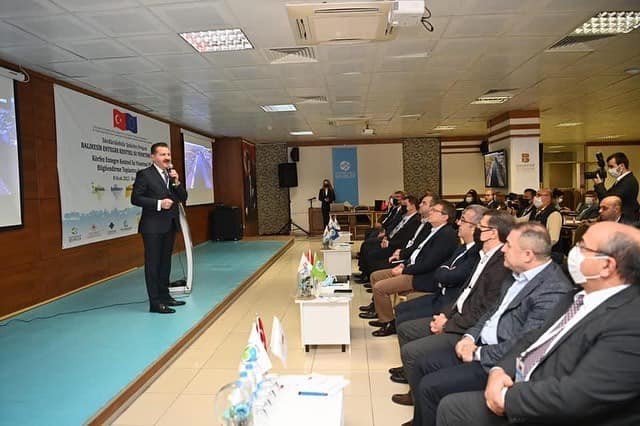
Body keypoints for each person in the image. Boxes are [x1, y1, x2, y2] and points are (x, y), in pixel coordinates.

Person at [437, 222, 640, 426]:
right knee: (449, 402)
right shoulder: (577, 296)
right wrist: (501, 370)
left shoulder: (630, 322)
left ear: (606, 266)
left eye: (582, 246)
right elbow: (534, 337)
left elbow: (581, 395)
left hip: (549, 407)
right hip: (522, 379)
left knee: (451, 407)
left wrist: (507, 397)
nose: (573, 252)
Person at [408, 223, 571, 426]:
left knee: (431, 386)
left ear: (528, 255)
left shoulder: (553, 291)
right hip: (478, 344)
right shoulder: (516, 274)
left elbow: (525, 344)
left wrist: (478, 353)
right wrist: (469, 337)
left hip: (500, 360)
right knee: (422, 364)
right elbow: (490, 313)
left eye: (508, 245)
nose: (502, 249)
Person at [389, 210, 514, 403]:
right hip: (454, 313)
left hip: (467, 329)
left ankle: (417, 395)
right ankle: (413, 383)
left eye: (481, 226)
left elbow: (483, 310)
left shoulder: (500, 265)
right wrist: (445, 315)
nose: (476, 229)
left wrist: (447, 324)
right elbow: (463, 293)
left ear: (492, 233)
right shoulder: (483, 255)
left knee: (411, 351)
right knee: (406, 328)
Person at [361, 201, 459, 336]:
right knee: (375, 276)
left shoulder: (446, 235)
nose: (430, 212)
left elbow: (429, 263)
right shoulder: (432, 230)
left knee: (379, 288)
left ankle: (388, 322)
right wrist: (404, 264)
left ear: (445, 217)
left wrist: (404, 270)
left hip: (422, 276)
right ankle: (381, 314)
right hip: (411, 268)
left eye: (435, 211)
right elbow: (416, 251)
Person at [131, 142, 188, 314]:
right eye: (163, 154)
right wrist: (158, 203)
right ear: (153, 157)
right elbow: (135, 198)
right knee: (153, 264)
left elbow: (183, 197)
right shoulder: (145, 174)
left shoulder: (170, 175)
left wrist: (176, 182)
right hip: (152, 227)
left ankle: (165, 296)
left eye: (168, 154)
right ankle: (155, 303)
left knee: (165, 263)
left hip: (169, 225)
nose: (167, 157)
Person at [593, 152, 640, 221]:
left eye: (611, 167)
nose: (609, 170)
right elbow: (608, 195)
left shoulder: (628, 181)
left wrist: (599, 185)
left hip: (626, 221)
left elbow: (608, 202)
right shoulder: (622, 180)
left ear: (621, 166)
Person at [531, 188, 562, 258]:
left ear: (548, 198)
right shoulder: (536, 211)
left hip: (551, 253)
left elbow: (553, 239)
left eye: (539, 195)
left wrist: (537, 250)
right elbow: (522, 221)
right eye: (536, 195)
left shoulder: (554, 214)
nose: (535, 198)